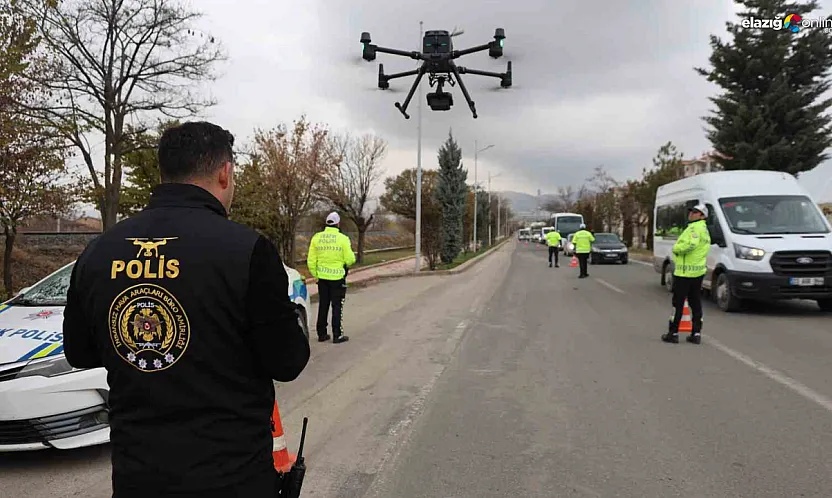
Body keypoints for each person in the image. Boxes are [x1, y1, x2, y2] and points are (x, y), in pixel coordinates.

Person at [62, 121, 311, 498]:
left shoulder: (99, 251)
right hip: (232, 477)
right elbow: (287, 362)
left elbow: (79, 352)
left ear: (165, 172)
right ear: (225, 172)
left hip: (138, 477)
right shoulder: (248, 251)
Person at [662, 204, 711, 345]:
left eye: (695, 212)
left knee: (678, 303)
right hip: (697, 272)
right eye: (691, 211)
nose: (691, 214)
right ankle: (696, 333)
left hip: (685, 273)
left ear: (702, 216)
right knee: (695, 303)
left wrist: (677, 249)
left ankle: (673, 333)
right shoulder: (704, 229)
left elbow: (691, 244)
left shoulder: (694, 228)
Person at [307, 212, 356, 344]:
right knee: (337, 306)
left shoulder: (316, 238)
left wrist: (316, 275)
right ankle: (337, 335)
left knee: (323, 305)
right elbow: (350, 259)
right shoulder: (343, 239)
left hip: (322, 278)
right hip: (337, 278)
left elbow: (311, 260)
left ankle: (322, 334)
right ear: (338, 224)